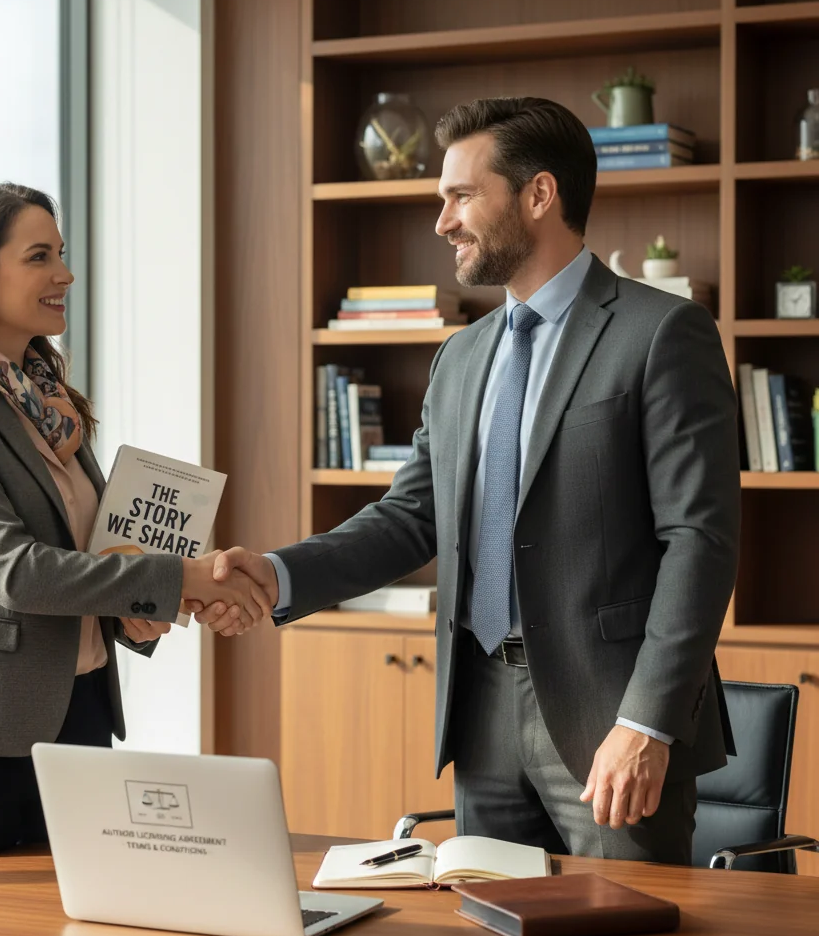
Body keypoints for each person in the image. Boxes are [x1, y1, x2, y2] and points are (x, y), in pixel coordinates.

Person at [196, 98, 740, 864]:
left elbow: (700, 541)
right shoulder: (461, 359)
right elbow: (410, 518)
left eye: (460, 196)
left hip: (607, 717)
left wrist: (647, 722)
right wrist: (278, 574)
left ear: (538, 195)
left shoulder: (660, 332)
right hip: (479, 708)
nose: (443, 223)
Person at [0, 182, 267, 877]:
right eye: (39, 257)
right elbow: (16, 572)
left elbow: (83, 558)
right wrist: (179, 578)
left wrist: (130, 615)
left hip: (77, 725)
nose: (66, 274)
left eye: (62, 254)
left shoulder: (49, 403)